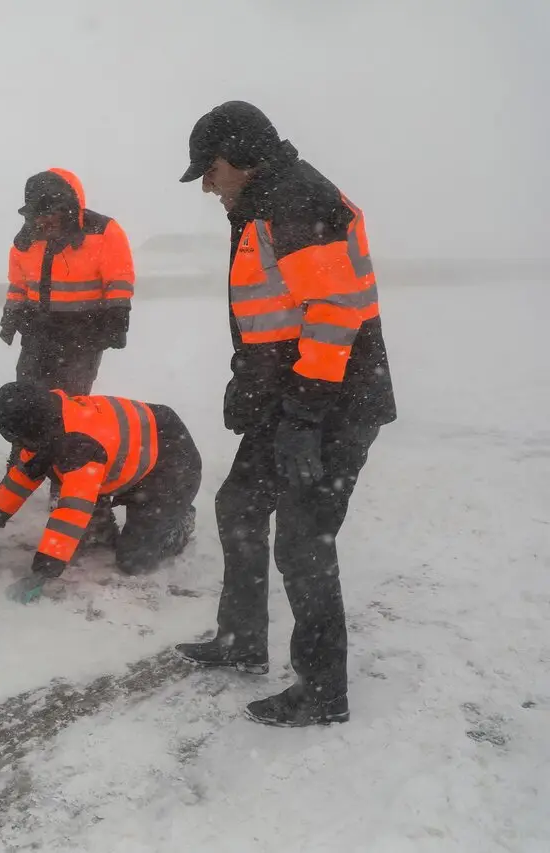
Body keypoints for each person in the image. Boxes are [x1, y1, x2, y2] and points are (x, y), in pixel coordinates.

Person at [172, 101, 397, 727]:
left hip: (333, 406)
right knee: (240, 506)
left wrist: (302, 416)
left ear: (242, 157)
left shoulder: (296, 200)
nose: (207, 185)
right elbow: (276, 315)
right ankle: (241, 640)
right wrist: (248, 384)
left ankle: (322, 691)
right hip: (293, 401)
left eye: (211, 170)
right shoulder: (263, 204)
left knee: (303, 542)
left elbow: (333, 313)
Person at [0, 381, 202, 603]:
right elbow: (23, 477)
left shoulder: (77, 446)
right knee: (92, 536)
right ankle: (102, 530)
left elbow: (73, 510)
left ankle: (179, 522)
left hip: (171, 463)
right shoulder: (47, 421)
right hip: (134, 450)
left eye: (14, 437)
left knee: (135, 561)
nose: (15, 443)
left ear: (29, 429)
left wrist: (42, 573)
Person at [0, 168, 136, 483]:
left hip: (83, 337)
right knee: (25, 403)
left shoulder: (104, 232)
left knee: (71, 409)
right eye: (38, 215)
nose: (44, 222)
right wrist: (12, 315)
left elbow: (118, 279)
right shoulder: (24, 242)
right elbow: (18, 284)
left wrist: (117, 317)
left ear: (69, 209)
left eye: (51, 214)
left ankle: (65, 481)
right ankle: (19, 474)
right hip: (38, 335)